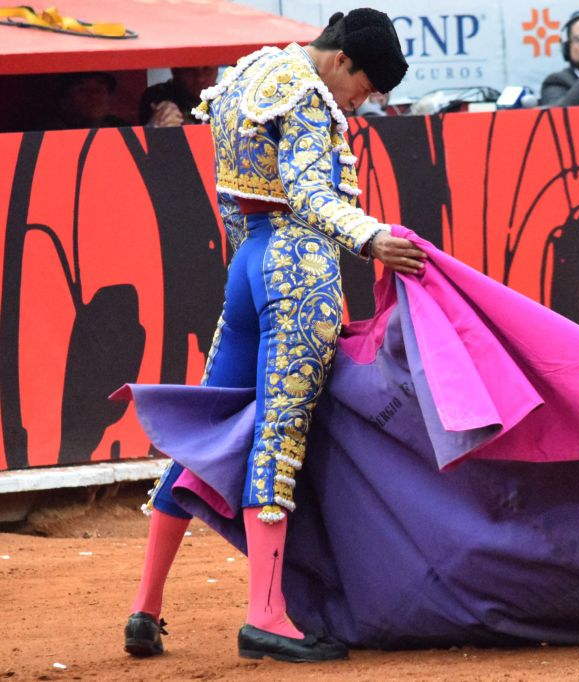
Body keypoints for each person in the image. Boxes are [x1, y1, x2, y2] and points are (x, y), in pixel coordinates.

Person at [123, 8, 425, 663]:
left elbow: (230, 189)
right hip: (299, 265)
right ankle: (266, 615)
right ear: (343, 60)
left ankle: (146, 606)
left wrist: (249, 264)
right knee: (279, 434)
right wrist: (372, 238)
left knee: (209, 426)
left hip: (251, 261)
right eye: (367, 88)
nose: (362, 104)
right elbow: (310, 195)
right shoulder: (311, 96)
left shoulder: (252, 71)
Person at [139, 66, 219, 127]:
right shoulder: (158, 95)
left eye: (207, 69)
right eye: (190, 70)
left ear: (217, 69)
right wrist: (156, 126)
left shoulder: (227, 97)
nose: (200, 78)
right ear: (175, 70)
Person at [49, 72, 128, 130]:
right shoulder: (49, 134)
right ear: (64, 101)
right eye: (83, 89)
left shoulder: (121, 128)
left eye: (99, 89)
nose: (94, 95)